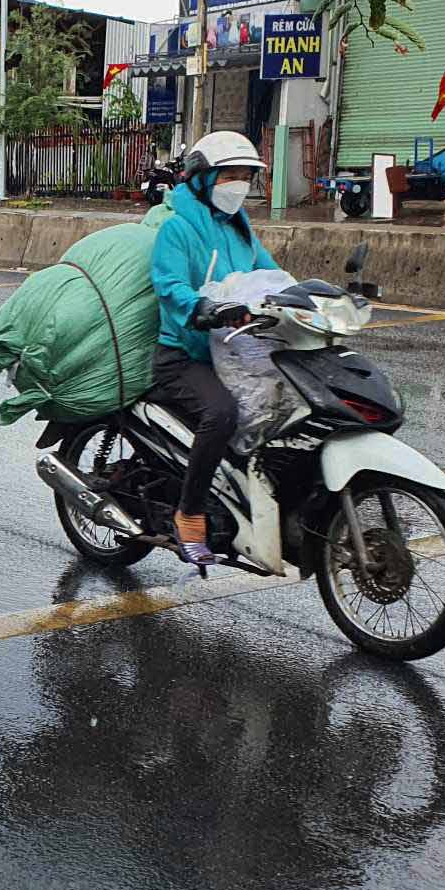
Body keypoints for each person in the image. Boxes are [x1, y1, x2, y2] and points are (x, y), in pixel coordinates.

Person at [148, 130, 280, 567]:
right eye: (231, 175)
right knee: (222, 414)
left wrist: (306, 299)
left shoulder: (241, 232)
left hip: (234, 354)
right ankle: (191, 513)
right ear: (203, 180)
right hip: (183, 356)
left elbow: (272, 277)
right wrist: (205, 308)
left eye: (246, 175)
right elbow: (169, 288)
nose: (239, 183)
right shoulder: (177, 229)